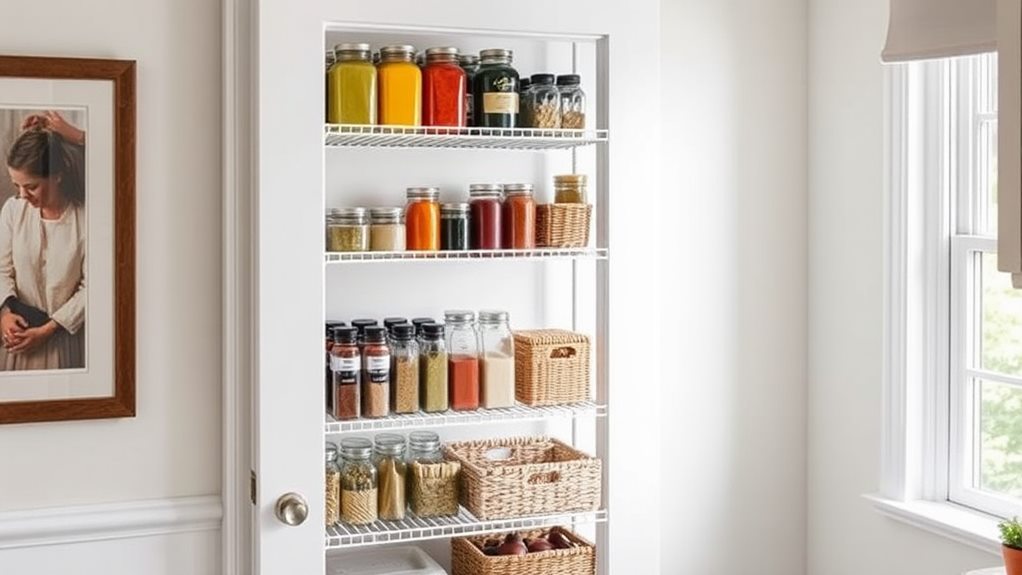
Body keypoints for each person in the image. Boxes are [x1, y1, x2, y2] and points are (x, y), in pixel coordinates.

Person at [0, 110, 86, 370]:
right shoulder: (13, 210)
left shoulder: (85, 218)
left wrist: (48, 330)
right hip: (15, 341)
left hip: (62, 341)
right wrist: (4, 314)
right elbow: (1, 269)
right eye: (16, 185)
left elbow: (92, 287)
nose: (22, 195)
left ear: (57, 175)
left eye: (31, 186)